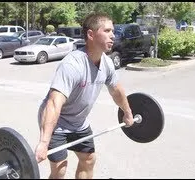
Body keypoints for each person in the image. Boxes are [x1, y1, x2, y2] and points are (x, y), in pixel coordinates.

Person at [35, 12, 134, 179]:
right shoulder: (72, 64)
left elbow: (116, 90)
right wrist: (44, 142)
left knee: (88, 160)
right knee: (59, 169)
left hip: (79, 123)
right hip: (57, 123)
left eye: (113, 31)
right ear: (91, 34)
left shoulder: (107, 63)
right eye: (107, 31)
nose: (113, 36)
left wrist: (128, 112)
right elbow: (53, 104)